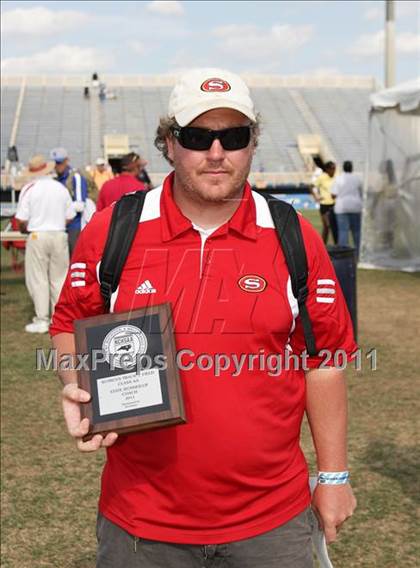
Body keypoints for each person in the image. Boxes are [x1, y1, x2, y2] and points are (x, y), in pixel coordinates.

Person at [51, 68, 357, 568]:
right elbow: (69, 322)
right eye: (198, 136)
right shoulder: (114, 229)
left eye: (233, 136)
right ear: (170, 143)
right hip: (141, 524)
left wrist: (335, 478)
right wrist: (78, 383)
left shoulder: (293, 235)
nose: (217, 153)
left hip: (273, 523)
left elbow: (324, 361)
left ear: (252, 144)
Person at [15, 154, 75, 333]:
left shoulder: (30, 188)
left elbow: (21, 219)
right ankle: (61, 318)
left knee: (38, 278)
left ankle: (42, 319)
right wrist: (55, 224)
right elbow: (70, 216)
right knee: (60, 278)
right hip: (58, 234)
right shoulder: (60, 188)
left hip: (38, 235)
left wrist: (28, 229)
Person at [50, 147, 91, 255]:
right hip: (59, 226)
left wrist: (59, 211)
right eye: (56, 162)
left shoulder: (75, 177)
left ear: (67, 160)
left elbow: (80, 205)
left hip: (74, 227)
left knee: (74, 260)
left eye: (60, 162)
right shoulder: (55, 179)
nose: (57, 165)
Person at [331, 161, 363, 255]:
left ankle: (344, 254)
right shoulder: (357, 178)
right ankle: (358, 254)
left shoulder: (339, 178)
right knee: (356, 232)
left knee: (343, 231)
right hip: (356, 207)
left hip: (342, 208)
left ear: (343, 168)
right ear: (351, 168)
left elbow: (333, 194)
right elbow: (361, 193)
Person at [312, 161, 338, 245]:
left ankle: (337, 245)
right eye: (332, 168)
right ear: (327, 169)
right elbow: (311, 186)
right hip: (324, 204)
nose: (333, 170)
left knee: (335, 226)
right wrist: (316, 196)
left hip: (335, 204)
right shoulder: (322, 177)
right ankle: (322, 245)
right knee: (327, 226)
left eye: (334, 168)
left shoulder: (336, 176)